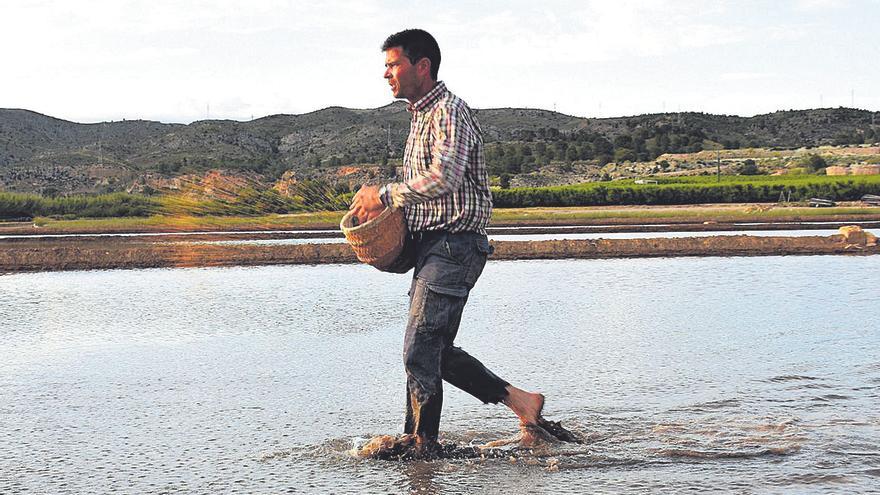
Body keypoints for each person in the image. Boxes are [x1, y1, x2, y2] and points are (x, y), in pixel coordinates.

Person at [350, 28, 545, 458]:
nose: (386, 74)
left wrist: (383, 194)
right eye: (384, 66)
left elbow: (443, 178)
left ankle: (422, 446)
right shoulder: (421, 115)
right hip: (435, 246)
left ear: (422, 66)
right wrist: (381, 211)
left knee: (419, 347)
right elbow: (425, 188)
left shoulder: (449, 112)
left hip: (455, 244)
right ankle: (521, 402)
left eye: (393, 64)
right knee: (433, 349)